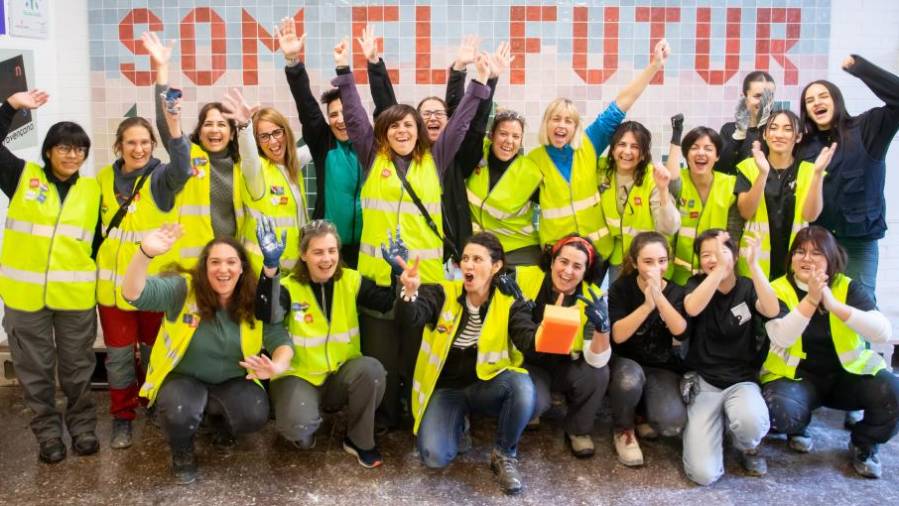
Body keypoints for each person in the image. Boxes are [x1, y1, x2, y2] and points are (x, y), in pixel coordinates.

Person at [332, 36, 492, 430]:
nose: (402, 131)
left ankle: (415, 410)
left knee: (417, 352)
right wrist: (344, 73)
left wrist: (479, 84)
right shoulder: (372, 157)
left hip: (425, 280)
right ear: (383, 132)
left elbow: (460, 124)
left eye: (409, 125)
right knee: (383, 354)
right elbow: (354, 118)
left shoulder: (434, 160)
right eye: (394, 126)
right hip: (376, 281)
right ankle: (386, 417)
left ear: (418, 130)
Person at [122, 224, 294, 484]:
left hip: (232, 380)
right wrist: (144, 253)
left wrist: (277, 367)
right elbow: (133, 294)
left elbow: (279, 338)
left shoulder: (255, 298)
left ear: (242, 268)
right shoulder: (182, 290)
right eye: (214, 262)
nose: (223, 269)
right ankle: (182, 450)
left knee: (254, 412)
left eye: (230, 262)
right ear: (204, 268)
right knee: (179, 410)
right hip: (183, 379)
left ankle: (217, 420)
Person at [0, 90, 101, 464]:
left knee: (78, 370)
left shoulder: (94, 191)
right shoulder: (21, 177)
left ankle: (83, 428)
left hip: (74, 298)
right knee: (35, 371)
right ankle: (47, 434)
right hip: (25, 299)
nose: (72, 155)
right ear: (48, 151)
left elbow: (99, 242)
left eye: (79, 149)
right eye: (64, 147)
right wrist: (11, 106)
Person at [397, 232, 537, 495]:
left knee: (522, 386)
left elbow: (528, 339)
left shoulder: (509, 302)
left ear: (496, 267)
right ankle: (459, 423)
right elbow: (412, 318)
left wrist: (538, 316)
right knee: (435, 457)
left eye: (477, 259)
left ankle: (505, 455)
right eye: (465, 259)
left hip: (486, 384)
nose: (468, 265)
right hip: (448, 389)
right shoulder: (442, 292)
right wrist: (409, 293)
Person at [255, 218, 398, 468]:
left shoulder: (351, 281)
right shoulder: (288, 287)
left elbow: (386, 302)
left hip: (339, 375)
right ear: (303, 254)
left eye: (332, 251)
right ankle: (305, 419)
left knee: (373, 370)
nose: (326, 259)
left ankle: (359, 440)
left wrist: (398, 272)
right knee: (297, 428)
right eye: (318, 252)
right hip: (299, 376)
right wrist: (270, 269)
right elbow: (267, 314)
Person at [761, 226, 898, 479]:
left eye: (816, 253)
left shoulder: (846, 287)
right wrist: (811, 300)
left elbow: (882, 332)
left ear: (831, 258)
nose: (807, 258)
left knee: (894, 392)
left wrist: (834, 305)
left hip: (847, 378)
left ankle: (864, 443)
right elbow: (783, 336)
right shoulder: (778, 288)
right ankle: (798, 428)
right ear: (791, 259)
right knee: (778, 411)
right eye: (800, 252)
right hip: (798, 379)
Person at [96, 104, 192, 449]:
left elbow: (184, 165)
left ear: (153, 144)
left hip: (152, 287)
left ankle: (153, 404)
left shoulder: (161, 178)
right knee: (120, 358)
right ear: (119, 146)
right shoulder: (103, 180)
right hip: (111, 290)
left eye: (145, 142)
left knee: (154, 352)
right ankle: (122, 416)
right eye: (131, 143)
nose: (139, 149)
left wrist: (175, 124)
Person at [527, 39, 670, 263]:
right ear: (546, 123)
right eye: (555, 119)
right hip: (559, 256)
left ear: (576, 127)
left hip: (597, 253)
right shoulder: (533, 160)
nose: (561, 126)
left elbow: (623, 102)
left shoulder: (589, 143)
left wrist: (654, 66)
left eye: (568, 121)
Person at [142, 31, 262, 267]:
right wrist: (162, 69)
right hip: (192, 261)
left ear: (231, 132)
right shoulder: (187, 153)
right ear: (199, 129)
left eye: (221, 124)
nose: (215, 130)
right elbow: (163, 120)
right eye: (208, 124)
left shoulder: (241, 163)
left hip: (229, 260)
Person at [276, 18, 383, 268]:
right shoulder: (324, 143)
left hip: (371, 247)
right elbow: (307, 106)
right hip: (330, 251)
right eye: (333, 114)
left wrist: (374, 63)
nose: (340, 120)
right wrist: (293, 63)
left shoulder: (373, 145)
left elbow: (388, 105)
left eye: (346, 113)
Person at [680, 230, 783, 485]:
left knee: (750, 424)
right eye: (706, 255)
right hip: (705, 384)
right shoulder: (696, 284)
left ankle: (745, 444)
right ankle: (720, 426)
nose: (714, 259)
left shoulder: (747, 287)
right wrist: (717, 268)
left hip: (742, 382)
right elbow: (692, 307)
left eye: (723, 251)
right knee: (703, 475)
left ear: (735, 256)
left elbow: (772, 310)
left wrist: (754, 266)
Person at [797, 55, 899, 297]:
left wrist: (861, 68)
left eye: (823, 96)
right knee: (820, 310)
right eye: (809, 100)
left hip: (859, 244)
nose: (816, 103)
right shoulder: (804, 146)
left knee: (860, 309)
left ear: (836, 100)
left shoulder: (867, 128)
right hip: (820, 244)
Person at [517, 235, 611, 457]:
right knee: (534, 402)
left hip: (566, 365)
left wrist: (602, 328)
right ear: (551, 261)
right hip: (528, 362)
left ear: (586, 271)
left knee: (598, 373)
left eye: (577, 266)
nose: (568, 271)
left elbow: (597, 359)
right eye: (563, 262)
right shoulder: (524, 278)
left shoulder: (593, 297)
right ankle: (535, 407)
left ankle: (579, 430)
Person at [607, 232, 689, 467]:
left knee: (671, 423)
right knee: (628, 381)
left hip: (660, 365)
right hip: (626, 361)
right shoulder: (621, 288)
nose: (656, 268)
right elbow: (619, 336)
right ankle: (623, 428)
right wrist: (646, 306)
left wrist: (659, 298)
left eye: (662, 261)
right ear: (634, 263)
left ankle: (643, 412)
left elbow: (681, 333)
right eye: (648, 262)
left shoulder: (677, 291)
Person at [734, 109, 833, 280]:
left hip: (796, 262)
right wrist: (763, 174)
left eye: (787, 129)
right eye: (773, 128)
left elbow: (811, 215)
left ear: (798, 137)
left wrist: (817, 175)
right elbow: (746, 212)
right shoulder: (749, 167)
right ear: (765, 134)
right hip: (755, 265)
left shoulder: (809, 170)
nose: (779, 134)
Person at [221, 90, 309, 275]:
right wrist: (244, 127)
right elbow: (249, 158)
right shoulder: (256, 173)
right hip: (262, 272)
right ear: (257, 142)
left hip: (293, 270)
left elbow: (315, 146)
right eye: (264, 136)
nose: (273, 141)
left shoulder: (290, 165)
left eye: (277, 132)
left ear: (286, 133)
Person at [598, 119, 682, 281]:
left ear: (643, 154)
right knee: (618, 304)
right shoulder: (602, 171)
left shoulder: (652, 178)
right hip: (618, 257)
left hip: (650, 260)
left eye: (635, 146)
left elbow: (670, 227)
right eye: (622, 144)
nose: (627, 151)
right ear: (613, 148)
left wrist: (663, 190)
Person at [669, 126, 749, 284]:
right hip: (679, 277)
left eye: (708, 148)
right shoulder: (678, 182)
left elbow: (734, 235)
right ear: (686, 154)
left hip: (718, 275)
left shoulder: (730, 185)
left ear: (717, 156)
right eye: (694, 148)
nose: (701, 153)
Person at [465, 109, 543, 266]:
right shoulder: (476, 154)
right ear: (492, 135)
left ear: (521, 141)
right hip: (482, 248)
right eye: (503, 133)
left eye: (516, 136)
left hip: (521, 249)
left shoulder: (530, 172)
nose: (509, 141)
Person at [716, 71, 776, 174]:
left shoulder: (780, 130)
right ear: (744, 97)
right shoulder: (729, 130)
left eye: (769, 97)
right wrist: (739, 134)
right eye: (758, 96)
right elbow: (720, 169)